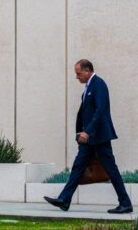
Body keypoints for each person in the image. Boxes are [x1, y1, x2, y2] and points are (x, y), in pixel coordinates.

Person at [44, 59, 133, 214]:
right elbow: (85, 112)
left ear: (87, 71)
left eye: (78, 73)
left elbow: (101, 110)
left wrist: (88, 131)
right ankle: (64, 199)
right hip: (89, 139)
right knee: (78, 167)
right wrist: (80, 131)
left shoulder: (99, 84)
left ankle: (125, 203)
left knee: (111, 170)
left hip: (99, 137)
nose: (77, 77)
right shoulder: (88, 87)